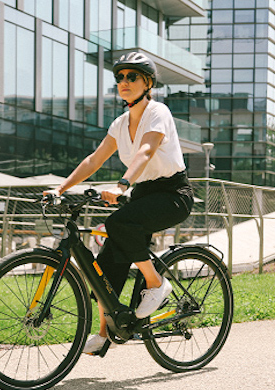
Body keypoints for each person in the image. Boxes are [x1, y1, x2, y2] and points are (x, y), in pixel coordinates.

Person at [45, 52, 194, 356]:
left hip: (173, 194)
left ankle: (156, 284)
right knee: (104, 265)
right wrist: (60, 188)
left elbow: (147, 151)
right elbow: (94, 160)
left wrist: (122, 184)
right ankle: (104, 334)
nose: (124, 82)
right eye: (119, 77)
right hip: (144, 195)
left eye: (132, 77)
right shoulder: (119, 123)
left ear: (147, 82)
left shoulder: (158, 112)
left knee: (117, 223)